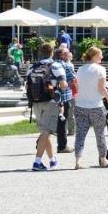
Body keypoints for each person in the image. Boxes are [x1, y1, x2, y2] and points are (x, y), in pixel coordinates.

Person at [27, 42, 67, 171]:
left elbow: (27, 84)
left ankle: (52, 160)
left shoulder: (33, 67)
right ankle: (37, 162)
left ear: (40, 52)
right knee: (46, 131)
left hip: (36, 101)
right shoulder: (56, 65)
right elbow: (63, 84)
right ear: (52, 52)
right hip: (51, 101)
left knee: (45, 131)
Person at [72, 46, 108, 170]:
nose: (102, 57)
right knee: (100, 134)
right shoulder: (100, 69)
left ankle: (78, 161)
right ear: (94, 56)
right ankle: (103, 159)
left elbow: (77, 87)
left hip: (80, 105)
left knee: (80, 134)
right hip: (96, 106)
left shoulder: (80, 69)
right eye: (100, 55)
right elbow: (101, 88)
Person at [54, 46, 77, 154]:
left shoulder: (52, 64)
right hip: (64, 96)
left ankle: (41, 142)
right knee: (62, 121)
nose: (69, 54)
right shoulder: (67, 65)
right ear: (62, 55)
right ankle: (62, 146)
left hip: (52, 96)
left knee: (51, 121)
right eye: (67, 53)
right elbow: (74, 79)